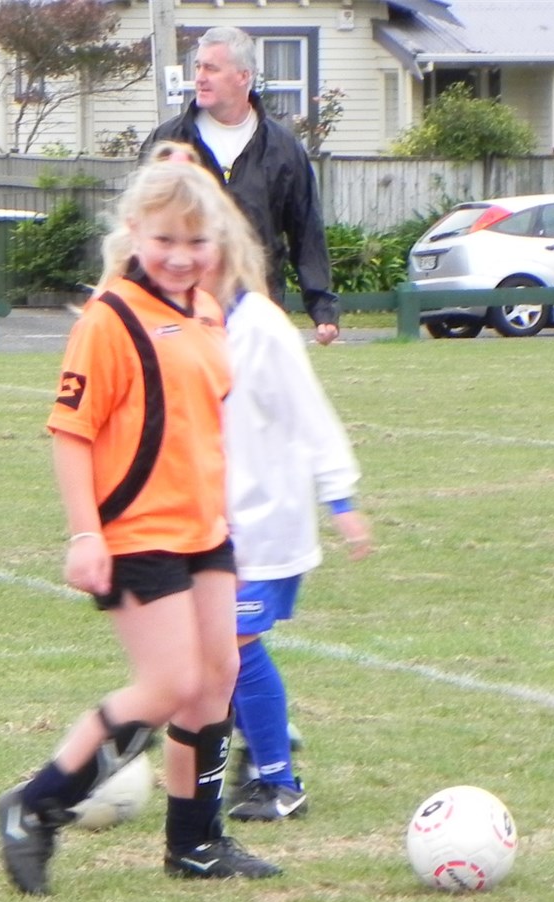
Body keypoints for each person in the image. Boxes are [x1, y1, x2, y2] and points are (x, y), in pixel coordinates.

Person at [0, 159, 281, 895]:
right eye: (163, 239)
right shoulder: (109, 318)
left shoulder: (209, 312)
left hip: (203, 532)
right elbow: (71, 431)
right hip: (135, 533)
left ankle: (195, 844)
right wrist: (85, 533)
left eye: (195, 240)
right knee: (168, 683)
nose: (180, 256)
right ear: (132, 234)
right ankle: (33, 808)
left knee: (214, 683)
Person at [149, 141, 372, 821]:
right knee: (213, 653)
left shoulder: (261, 327)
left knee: (233, 648)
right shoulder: (183, 324)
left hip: (263, 525)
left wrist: (341, 497)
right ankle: (262, 737)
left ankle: (277, 778)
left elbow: (312, 416)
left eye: (201, 240)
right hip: (210, 522)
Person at [142, 26, 341, 347]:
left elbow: (306, 230)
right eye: (198, 66)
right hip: (180, 310)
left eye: (212, 68)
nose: (200, 77)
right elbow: (141, 226)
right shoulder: (169, 142)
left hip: (256, 307)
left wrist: (322, 308)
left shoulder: (284, 147)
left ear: (243, 76)